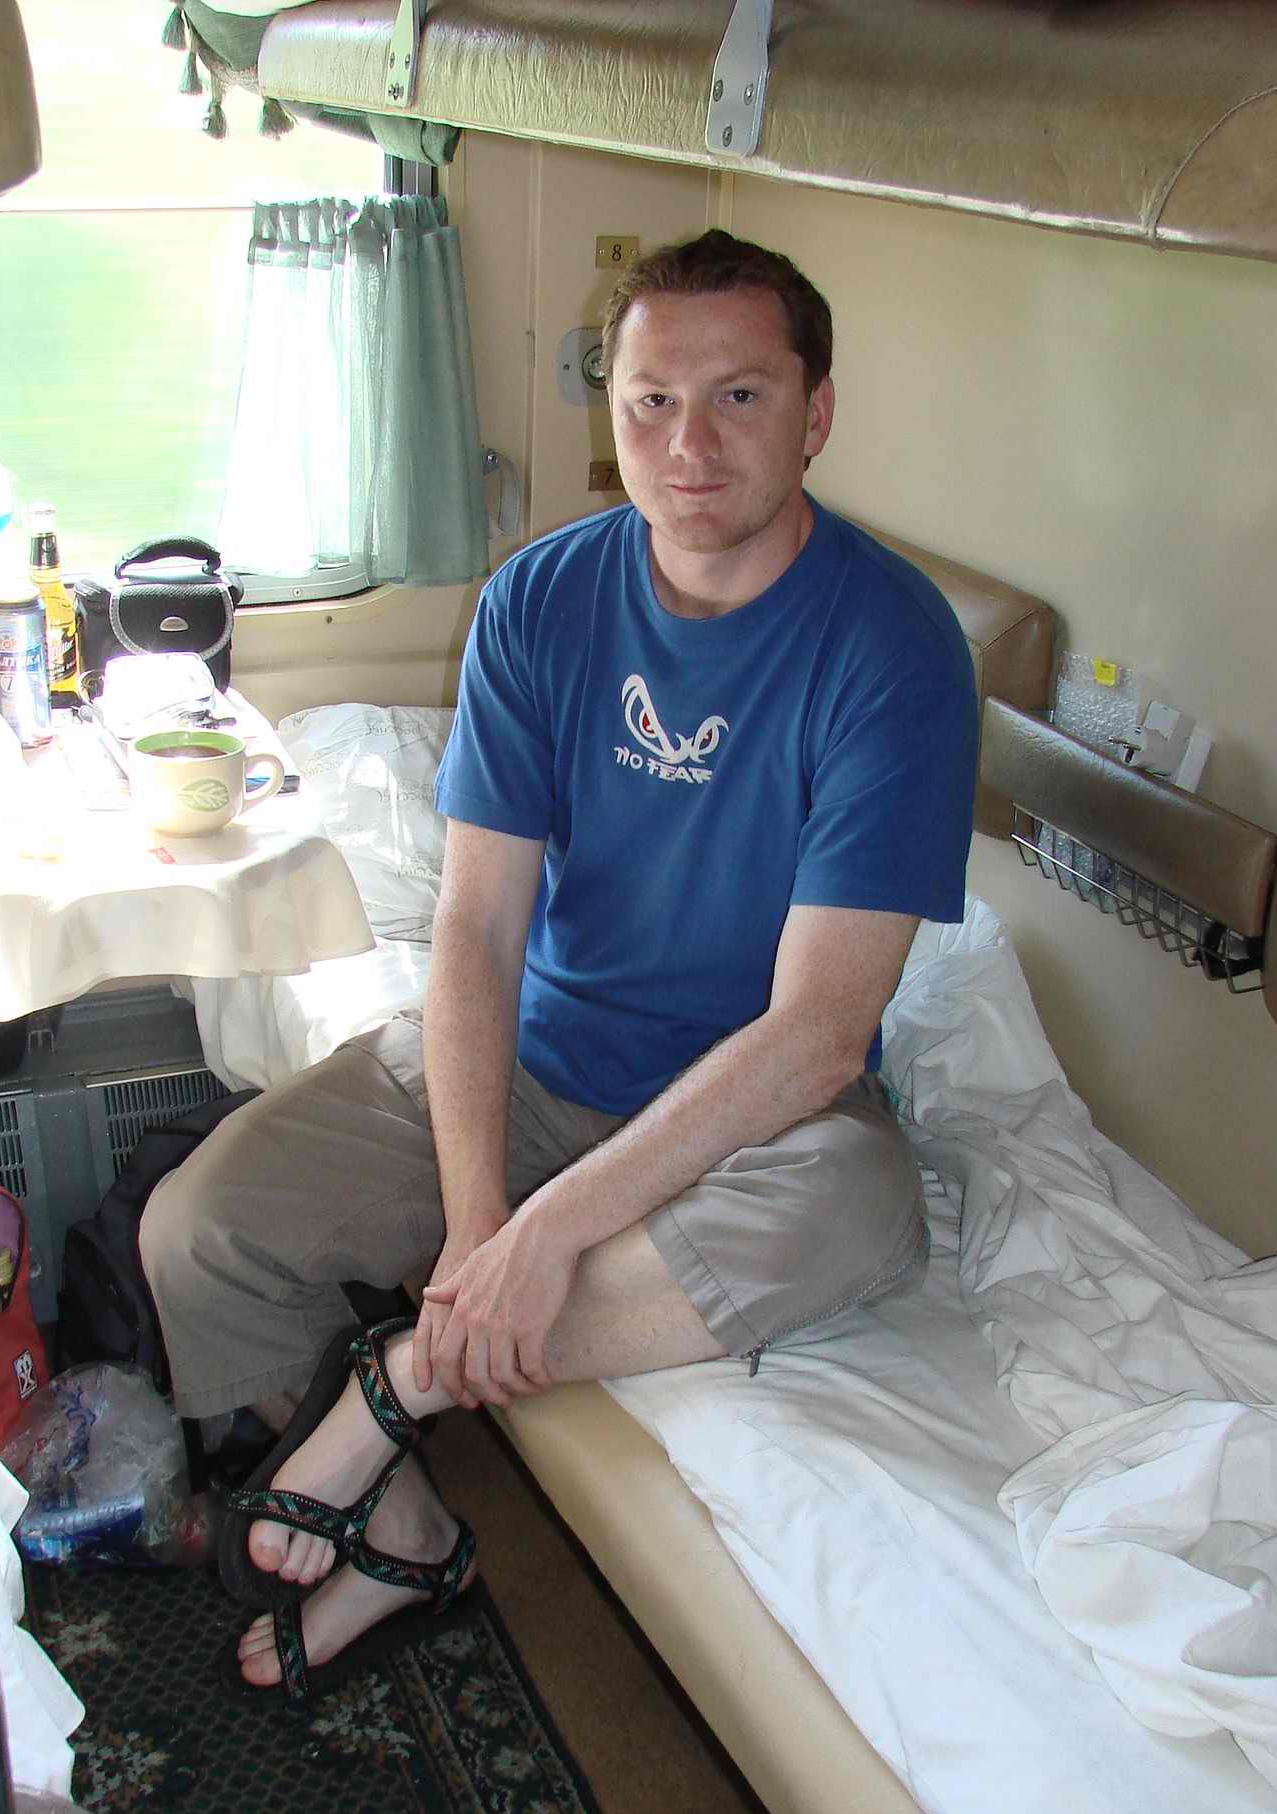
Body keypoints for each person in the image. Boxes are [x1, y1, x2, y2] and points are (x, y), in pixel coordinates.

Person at [139, 229, 978, 1698]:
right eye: (652, 401)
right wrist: (484, 1224)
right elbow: (475, 932)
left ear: (817, 414)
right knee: (198, 1233)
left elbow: (818, 1038)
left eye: (739, 397)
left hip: (751, 1115)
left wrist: (540, 1246)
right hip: (539, 1057)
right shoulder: (541, 599)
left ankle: (392, 1393)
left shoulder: (892, 646)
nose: (688, 445)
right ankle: (404, 1527)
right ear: (614, 413)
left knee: (857, 1206)